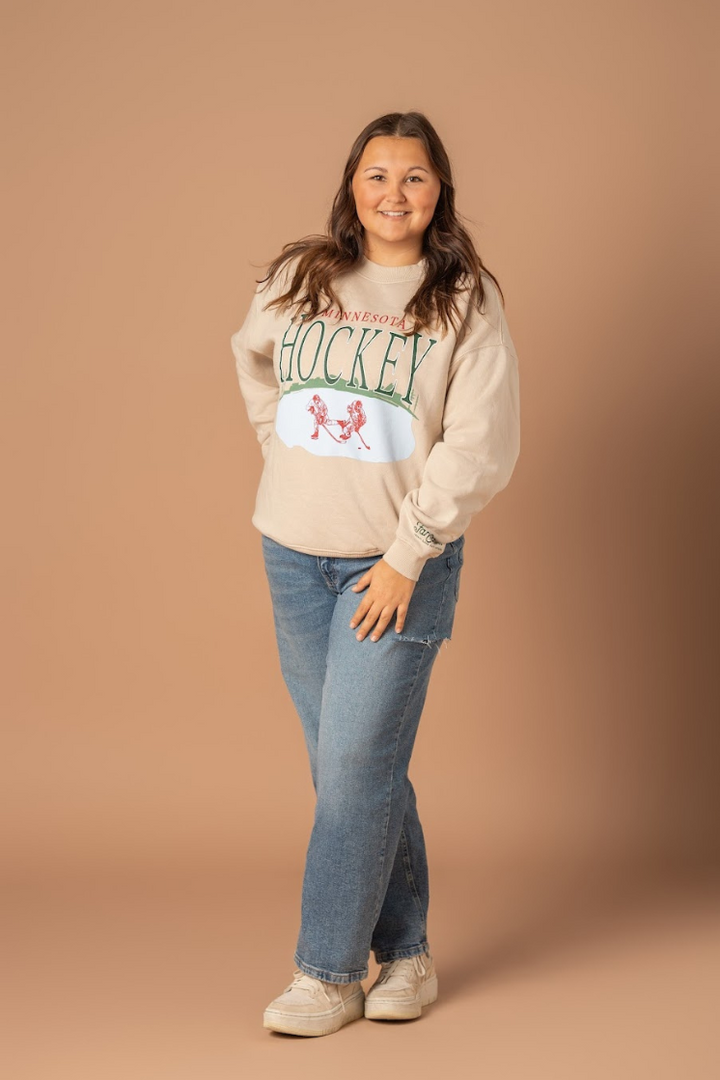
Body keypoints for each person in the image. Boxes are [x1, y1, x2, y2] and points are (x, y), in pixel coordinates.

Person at [230, 110, 521, 1037]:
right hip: (291, 552)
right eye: (377, 176)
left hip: (393, 566)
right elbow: (256, 364)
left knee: (355, 765)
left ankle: (325, 974)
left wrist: (406, 555)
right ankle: (409, 956)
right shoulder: (300, 276)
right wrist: (283, 453)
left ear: (440, 194)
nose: (394, 195)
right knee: (351, 766)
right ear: (352, 186)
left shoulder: (461, 296)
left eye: (415, 179)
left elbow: (481, 444)